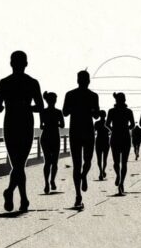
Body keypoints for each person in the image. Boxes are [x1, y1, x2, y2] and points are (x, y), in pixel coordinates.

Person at [0, 51, 44, 212]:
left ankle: (15, 195)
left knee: (17, 163)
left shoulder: (5, 82)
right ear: (26, 64)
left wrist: (7, 106)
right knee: (19, 163)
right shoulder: (32, 82)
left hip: (11, 123)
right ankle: (20, 198)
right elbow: (40, 106)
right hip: (26, 123)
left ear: (11, 63)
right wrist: (27, 106)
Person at [62, 71, 101, 209]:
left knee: (77, 164)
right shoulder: (93, 96)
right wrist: (91, 111)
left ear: (77, 80)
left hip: (75, 132)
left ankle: (79, 190)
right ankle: (79, 192)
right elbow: (96, 116)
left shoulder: (70, 95)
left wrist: (76, 108)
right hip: (87, 132)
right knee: (87, 161)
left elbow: (65, 112)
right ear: (88, 81)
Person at [107, 93, 136, 195]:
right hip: (125, 137)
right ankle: (121, 183)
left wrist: (112, 129)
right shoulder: (128, 111)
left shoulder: (111, 111)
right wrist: (126, 128)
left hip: (115, 137)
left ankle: (118, 176)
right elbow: (132, 125)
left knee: (116, 162)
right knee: (124, 163)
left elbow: (107, 124)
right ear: (125, 100)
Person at [39, 91, 65, 194]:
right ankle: (52, 181)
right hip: (54, 137)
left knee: (47, 162)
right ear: (54, 100)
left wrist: (48, 124)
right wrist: (56, 124)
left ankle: (47, 183)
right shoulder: (58, 112)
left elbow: (41, 126)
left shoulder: (43, 112)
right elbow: (62, 125)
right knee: (54, 162)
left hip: (45, 136)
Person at [94, 110, 110, 181]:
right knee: (105, 159)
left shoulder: (96, 123)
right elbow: (111, 130)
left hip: (98, 141)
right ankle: (103, 170)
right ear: (105, 115)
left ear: (99, 115)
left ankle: (100, 172)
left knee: (99, 159)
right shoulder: (107, 123)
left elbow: (93, 131)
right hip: (106, 141)